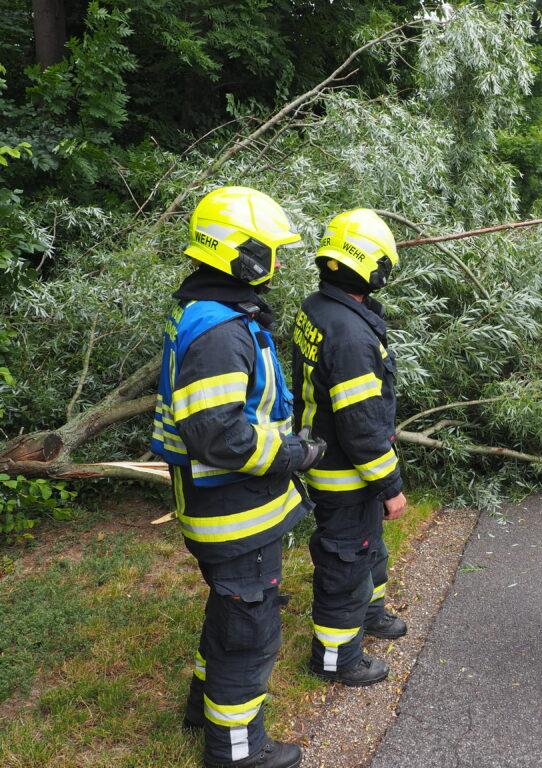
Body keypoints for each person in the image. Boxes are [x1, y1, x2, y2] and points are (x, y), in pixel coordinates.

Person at [151, 186, 326, 768]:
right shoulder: (221, 332)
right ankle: (236, 751)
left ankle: (202, 708)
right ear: (243, 254)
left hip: (224, 508)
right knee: (249, 632)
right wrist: (295, 453)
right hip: (233, 514)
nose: (277, 264)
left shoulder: (213, 313)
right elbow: (221, 437)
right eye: (271, 252)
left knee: (230, 614)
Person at [291, 208, 407, 687]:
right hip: (346, 471)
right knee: (346, 560)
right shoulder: (351, 335)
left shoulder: (318, 307)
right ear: (371, 267)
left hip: (334, 456)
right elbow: (360, 426)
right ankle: (336, 657)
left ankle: (370, 612)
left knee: (367, 545)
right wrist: (390, 485)